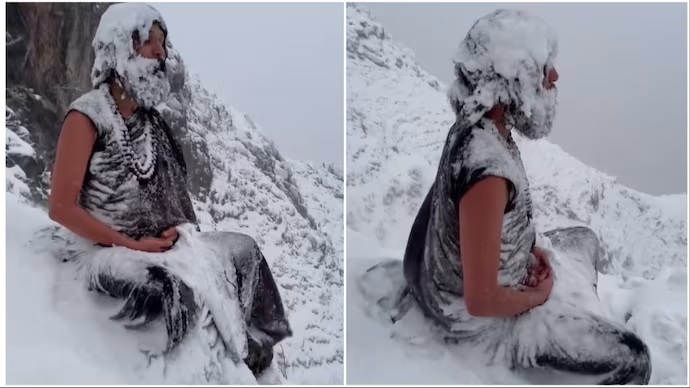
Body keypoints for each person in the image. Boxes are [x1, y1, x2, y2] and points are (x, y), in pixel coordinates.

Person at [399, 9, 651, 385]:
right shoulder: (488, 172)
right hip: (480, 324)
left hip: (457, 283)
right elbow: (480, 301)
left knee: (583, 238)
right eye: (543, 67)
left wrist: (528, 248)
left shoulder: (481, 127)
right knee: (634, 359)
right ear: (511, 81)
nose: (554, 76)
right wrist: (540, 295)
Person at [47, 3, 291, 376]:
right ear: (120, 48)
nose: (161, 53)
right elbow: (61, 208)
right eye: (150, 43)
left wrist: (179, 239)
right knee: (171, 289)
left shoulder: (152, 122)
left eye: (163, 44)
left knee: (245, 252)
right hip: (109, 249)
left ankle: (253, 349)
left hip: (166, 245)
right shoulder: (87, 116)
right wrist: (133, 245)